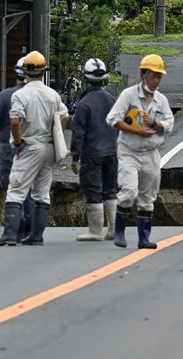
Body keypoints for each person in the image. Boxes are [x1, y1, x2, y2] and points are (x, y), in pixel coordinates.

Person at [0, 51, 70, 247]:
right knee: (42, 192)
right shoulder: (53, 95)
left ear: (24, 72)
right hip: (49, 146)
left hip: (29, 146)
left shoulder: (20, 94)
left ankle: (10, 234)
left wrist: (18, 142)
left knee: (16, 189)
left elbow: (15, 121)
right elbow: (64, 118)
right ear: (43, 72)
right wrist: (56, 135)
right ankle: (36, 235)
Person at [106, 54, 175, 249]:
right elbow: (113, 120)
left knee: (148, 197)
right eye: (153, 76)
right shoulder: (128, 96)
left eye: (159, 76)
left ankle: (144, 237)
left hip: (151, 152)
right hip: (129, 151)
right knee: (128, 190)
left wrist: (154, 123)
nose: (156, 80)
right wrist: (137, 130)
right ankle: (119, 232)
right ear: (143, 74)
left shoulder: (161, 100)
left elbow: (169, 124)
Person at [70, 58, 119, 242]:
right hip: (111, 152)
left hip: (92, 153)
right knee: (110, 189)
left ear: (86, 78)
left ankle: (96, 231)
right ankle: (114, 229)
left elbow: (78, 134)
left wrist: (75, 157)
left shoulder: (84, 104)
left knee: (93, 190)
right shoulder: (111, 99)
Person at [0, 57, 35, 237]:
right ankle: (30, 229)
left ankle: (14, 227)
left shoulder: (6, 95)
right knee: (29, 186)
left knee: (10, 185)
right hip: (33, 146)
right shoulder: (41, 95)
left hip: (8, 146)